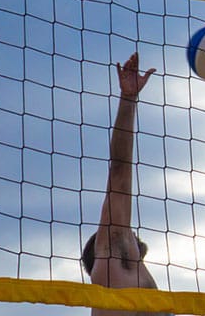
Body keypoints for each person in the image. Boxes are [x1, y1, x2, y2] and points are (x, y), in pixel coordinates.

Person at [81, 51, 172, 316]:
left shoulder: (134, 278)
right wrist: (128, 99)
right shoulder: (113, 260)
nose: (130, 232)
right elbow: (119, 171)